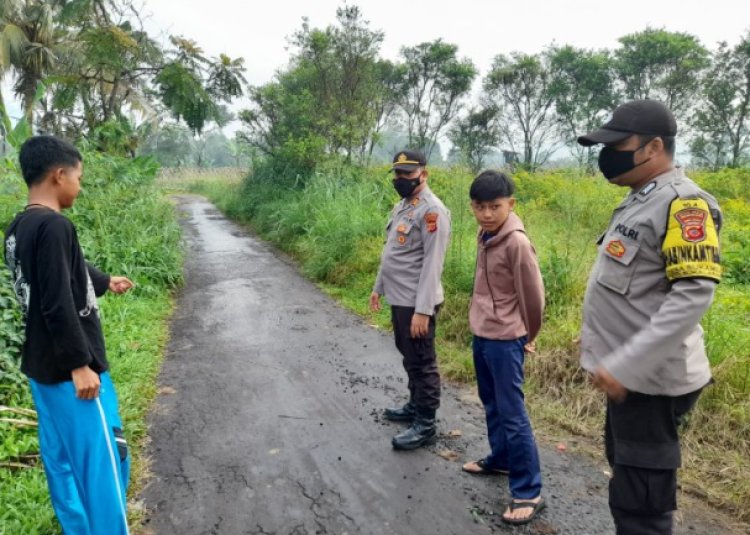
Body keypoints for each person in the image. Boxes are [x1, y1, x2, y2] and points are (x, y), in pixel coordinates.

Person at [577, 100, 721, 535]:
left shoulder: (685, 204)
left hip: (649, 383)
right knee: (628, 484)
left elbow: (693, 293)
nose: (607, 155)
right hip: (630, 382)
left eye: (617, 146)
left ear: (654, 147)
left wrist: (627, 364)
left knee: (642, 507)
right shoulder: (642, 199)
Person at [4, 135, 135, 535]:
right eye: (78, 177)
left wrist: (103, 280)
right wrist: (81, 365)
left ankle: (78, 528)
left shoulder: (18, 227)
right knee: (103, 461)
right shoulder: (56, 225)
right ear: (59, 176)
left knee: (61, 460)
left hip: (41, 368)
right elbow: (57, 301)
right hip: (72, 374)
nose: (79, 186)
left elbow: (57, 272)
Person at [461, 170, 546, 525]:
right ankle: (501, 459)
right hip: (482, 334)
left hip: (506, 339)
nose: (487, 213)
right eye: (480, 207)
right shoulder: (486, 234)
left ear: (510, 204)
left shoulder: (516, 242)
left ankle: (528, 490)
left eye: (495, 206)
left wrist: (529, 334)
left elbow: (534, 296)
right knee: (492, 403)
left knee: (512, 413)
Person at [370, 149, 451, 450]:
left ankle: (426, 424)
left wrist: (423, 310)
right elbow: (391, 252)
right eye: (397, 173)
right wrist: (378, 287)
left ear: (423, 174)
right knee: (409, 357)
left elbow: (433, 265)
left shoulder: (432, 211)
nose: (400, 179)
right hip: (399, 298)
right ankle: (414, 406)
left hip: (417, 302)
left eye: (407, 173)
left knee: (423, 362)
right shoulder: (404, 206)